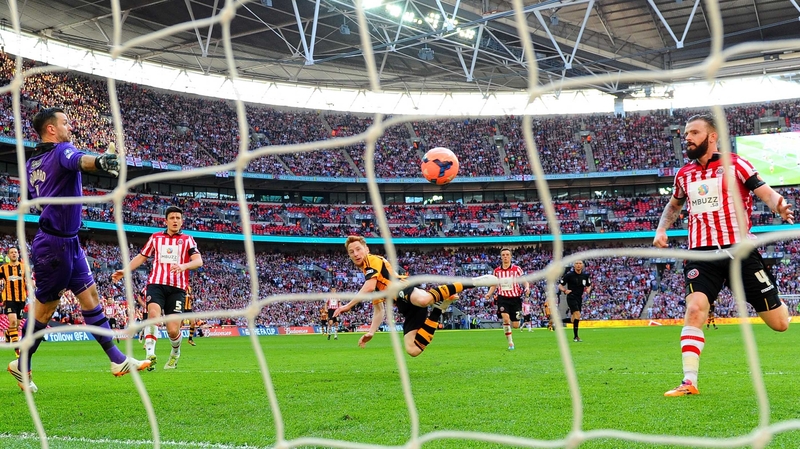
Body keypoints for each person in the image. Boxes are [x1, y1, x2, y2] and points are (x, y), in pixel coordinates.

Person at [9, 107, 150, 393]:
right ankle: (21, 363)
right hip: (54, 245)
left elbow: (31, 195)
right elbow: (80, 162)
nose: (71, 127)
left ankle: (117, 360)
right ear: (51, 129)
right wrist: (100, 161)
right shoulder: (62, 150)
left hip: (68, 241)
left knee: (90, 297)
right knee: (46, 309)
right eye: (66, 123)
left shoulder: (32, 162)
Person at [654, 114, 794, 397]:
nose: (688, 138)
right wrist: (661, 230)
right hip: (701, 254)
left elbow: (763, 191)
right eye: (686, 134)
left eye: (694, 133)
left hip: (740, 252)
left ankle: (777, 303)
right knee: (694, 308)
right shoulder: (684, 174)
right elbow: (674, 205)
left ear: (712, 136)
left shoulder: (735, 163)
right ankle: (689, 381)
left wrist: (778, 205)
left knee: (779, 324)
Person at [334, 236, 498, 356]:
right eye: (351, 252)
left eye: (358, 249)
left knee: (424, 299)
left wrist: (347, 306)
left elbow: (369, 288)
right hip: (405, 307)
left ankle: (473, 282)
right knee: (413, 350)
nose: (355, 253)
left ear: (366, 249)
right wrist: (371, 332)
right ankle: (438, 309)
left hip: (403, 288)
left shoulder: (372, 260)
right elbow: (379, 310)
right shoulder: (369, 275)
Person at [112, 206, 203, 371]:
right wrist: (125, 270)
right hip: (156, 284)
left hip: (177, 288)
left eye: (178, 218)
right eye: (172, 218)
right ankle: (149, 355)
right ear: (166, 220)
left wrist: (184, 266)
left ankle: (175, 353)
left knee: (173, 330)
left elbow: (198, 261)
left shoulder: (188, 240)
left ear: (182, 221)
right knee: (153, 314)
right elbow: (141, 257)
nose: (175, 220)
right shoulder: (156, 238)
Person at [484, 248, 530, 350]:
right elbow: (494, 285)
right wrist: (489, 294)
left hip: (515, 298)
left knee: (516, 325)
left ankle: (518, 317)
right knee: (505, 318)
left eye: (507, 255)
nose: (505, 256)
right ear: (501, 257)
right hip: (502, 298)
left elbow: (525, 281)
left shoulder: (517, 269)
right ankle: (510, 343)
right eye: (503, 255)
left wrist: (527, 287)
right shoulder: (496, 271)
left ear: (510, 256)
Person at [0, 247, 27, 358]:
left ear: (18, 254)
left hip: (21, 299)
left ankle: (7, 333)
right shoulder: (3, 268)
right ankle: (17, 349)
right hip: (9, 298)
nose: (14, 254)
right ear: (8, 255)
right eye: (11, 252)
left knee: (16, 325)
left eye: (15, 252)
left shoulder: (24, 267)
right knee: (13, 322)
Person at [558, 260, 592, 342]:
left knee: (574, 319)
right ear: (574, 265)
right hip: (571, 297)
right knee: (578, 314)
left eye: (580, 263)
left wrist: (588, 289)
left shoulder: (585, 276)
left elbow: (589, 285)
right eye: (576, 263)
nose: (578, 265)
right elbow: (560, 285)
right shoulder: (569, 275)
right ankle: (576, 337)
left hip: (579, 298)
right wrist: (565, 291)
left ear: (582, 265)